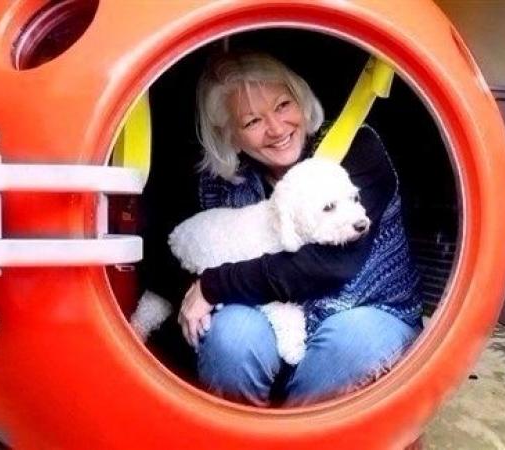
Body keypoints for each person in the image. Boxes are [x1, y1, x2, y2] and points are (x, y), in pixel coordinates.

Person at [177, 51, 423, 407]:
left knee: (348, 344)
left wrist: (213, 284)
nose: (277, 129)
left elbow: (332, 264)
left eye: (283, 105)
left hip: (370, 308)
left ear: (301, 100)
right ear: (229, 135)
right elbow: (187, 249)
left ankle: (293, 431)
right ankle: (237, 431)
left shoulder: (354, 147)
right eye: (252, 121)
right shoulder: (220, 183)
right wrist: (194, 287)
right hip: (272, 314)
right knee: (231, 337)